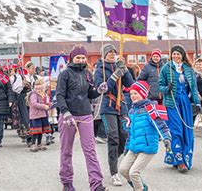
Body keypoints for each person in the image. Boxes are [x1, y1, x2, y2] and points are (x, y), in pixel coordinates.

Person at [57, 45, 106, 191]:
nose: (81, 60)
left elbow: (90, 94)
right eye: (78, 57)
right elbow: (59, 95)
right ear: (72, 58)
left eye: (83, 57)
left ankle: (96, 184)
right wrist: (65, 112)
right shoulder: (65, 74)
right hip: (68, 116)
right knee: (66, 150)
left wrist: (98, 90)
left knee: (90, 151)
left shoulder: (87, 73)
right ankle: (67, 183)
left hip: (85, 115)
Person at [119, 81, 171, 190]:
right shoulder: (132, 111)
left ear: (143, 94)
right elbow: (131, 132)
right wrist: (127, 147)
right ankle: (142, 187)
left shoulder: (151, 108)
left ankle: (140, 189)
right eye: (131, 94)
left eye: (136, 93)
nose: (133, 96)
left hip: (147, 147)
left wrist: (167, 138)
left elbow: (162, 126)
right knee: (123, 170)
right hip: (133, 147)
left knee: (134, 173)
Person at [94, 43, 134, 186]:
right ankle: (114, 172)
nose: (112, 54)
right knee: (113, 137)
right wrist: (115, 76)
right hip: (108, 106)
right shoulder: (99, 70)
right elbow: (103, 89)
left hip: (121, 106)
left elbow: (130, 84)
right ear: (104, 55)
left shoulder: (119, 65)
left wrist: (124, 69)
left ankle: (113, 159)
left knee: (125, 136)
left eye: (114, 52)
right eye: (109, 52)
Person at [159, 44, 200, 172]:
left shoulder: (188, 69)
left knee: (187, 131)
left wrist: (197, 103)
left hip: (185, 103)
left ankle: (185, 157)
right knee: (175, 130)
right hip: (172, 103)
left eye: (178, 54)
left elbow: (193, 88)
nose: (176, 56)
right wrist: (167, 88)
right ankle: (179, 160)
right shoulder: (166, 68)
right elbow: (160, 86)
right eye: (174, 54)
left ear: (182, 55)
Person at [28, 79, 52, 152]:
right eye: (37, 89)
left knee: (41, 130)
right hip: (35, 115)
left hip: (43, 115)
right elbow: (34, 104)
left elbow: (46, 102)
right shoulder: (33, 94)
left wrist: (49, 104)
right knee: (35, 131)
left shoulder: (44, 94)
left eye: (40, 89)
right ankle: (33, 144)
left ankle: (39, 144)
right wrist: (44, 106)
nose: (39, 90)